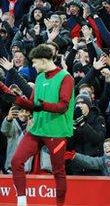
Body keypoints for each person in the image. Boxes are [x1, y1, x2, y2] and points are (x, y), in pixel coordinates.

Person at [10, 45, 75, 206]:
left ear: (44, 61)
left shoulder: (66, 78)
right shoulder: (39, 78)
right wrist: (17, 99)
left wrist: (42, 105)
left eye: (34, 62)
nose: (33, 65)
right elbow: (33, 104)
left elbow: (63, 106)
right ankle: (22, 201)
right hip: (37, 129)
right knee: (16, 161)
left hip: (57, 132)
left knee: (58, 172)